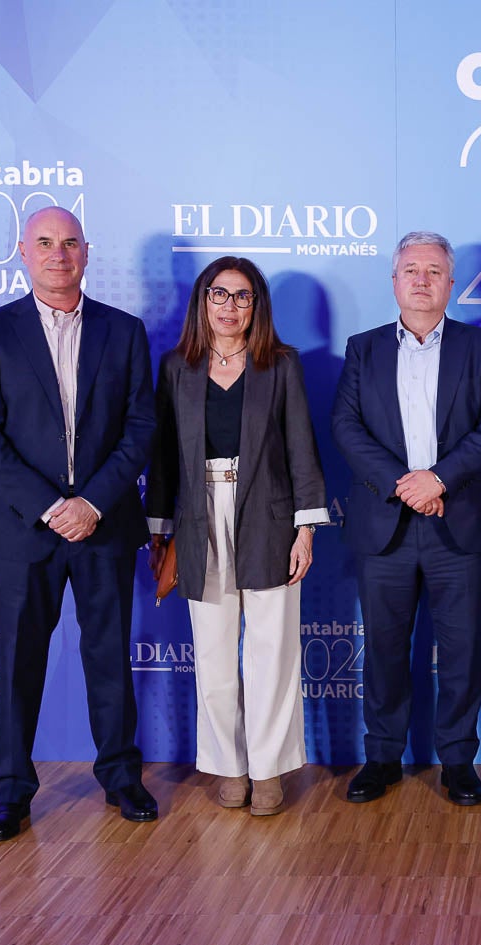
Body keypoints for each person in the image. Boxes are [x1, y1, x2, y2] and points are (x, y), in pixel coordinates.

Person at [0, 206, 157, 841]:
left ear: (87, 252)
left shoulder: (124, 332)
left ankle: (121, 776)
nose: (58, 254)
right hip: (21, 528)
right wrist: (51, 507)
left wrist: (91, 504)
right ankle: (11, 792)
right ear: (23, 252)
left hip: (103, 523)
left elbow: (140, 429)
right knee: (18, 661)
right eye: (44, 243)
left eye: (69, 243)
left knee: (109, 654)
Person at [333, 231, 481, 807]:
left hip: (457, 521)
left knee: (461, 651)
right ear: (393, 282)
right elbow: (346, 427)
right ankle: (382, 757)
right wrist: (404, 485)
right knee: (384, 649)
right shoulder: (362, 349)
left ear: (450, 284)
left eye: (433, 271)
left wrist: (437, 480)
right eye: (410, 269)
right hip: (384, 523)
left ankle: (458, 761)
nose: (420, 279)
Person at [145, 256, 326, 816]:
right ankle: (231, 767)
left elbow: (301, 447)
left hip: (270, 516)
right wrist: (159, 528)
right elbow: (164, 455)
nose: (229, 306)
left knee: (272, 651)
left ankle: (269, 770)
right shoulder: (178, 366)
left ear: (257, 306)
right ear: (203, 302)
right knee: (216, 654)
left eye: (242, 296)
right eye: (218, 295)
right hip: (199, 516)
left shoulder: (281, 364)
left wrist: (306, 527)